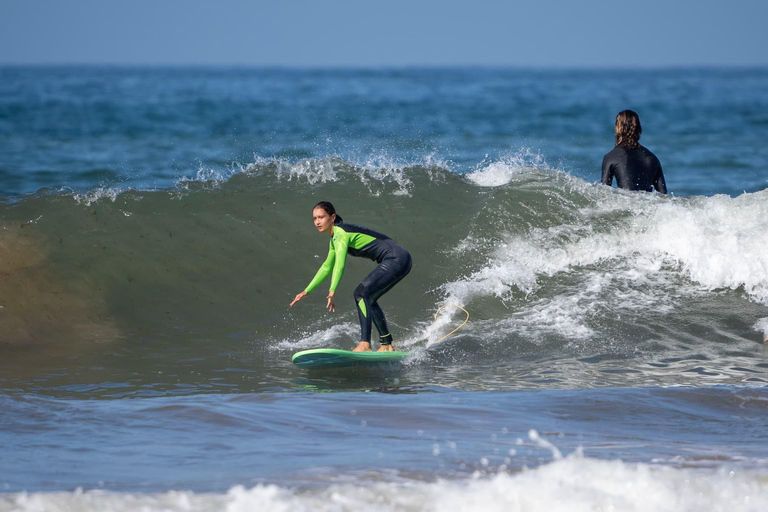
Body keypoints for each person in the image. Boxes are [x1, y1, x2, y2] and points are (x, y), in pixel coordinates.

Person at [290, 201, 412, 352]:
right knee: (369, 298)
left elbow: (340, 264)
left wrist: (332, 290)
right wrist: (306, 291)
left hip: (396, 258)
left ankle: (364, 344)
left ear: (332, 217)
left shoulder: (341, 233)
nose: (317, 222)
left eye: (321, 217)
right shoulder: (335, 238)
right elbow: (327, 266)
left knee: (361, 293)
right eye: (315, 218)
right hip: (400, 258)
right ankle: (386, 344)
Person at [601, 110, 667, 194]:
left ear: (617, 129)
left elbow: (604, 194)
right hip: (648, 205)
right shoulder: (652, 158)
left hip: (627, 205)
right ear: (639, 129)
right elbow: (664, 197)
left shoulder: (611, 157)